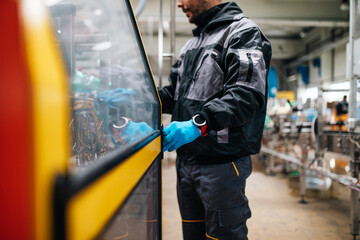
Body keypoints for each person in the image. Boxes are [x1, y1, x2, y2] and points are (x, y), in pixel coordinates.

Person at [158, 0, 272, 239]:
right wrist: (143, 98)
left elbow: (245, 95)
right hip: (187, 162)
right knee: (193, 234)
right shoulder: (192, 43)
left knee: (223, 235)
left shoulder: (243, 33)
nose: (178, 3)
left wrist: (197, 124)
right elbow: (175, 95)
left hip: (221, 165)